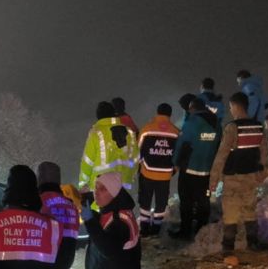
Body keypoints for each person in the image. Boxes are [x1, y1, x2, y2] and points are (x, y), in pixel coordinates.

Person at [210, 92, 268, 254]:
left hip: (233, 177)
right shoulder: (258, 127)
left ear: (235, 106)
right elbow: (264, 152)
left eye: (230, 107)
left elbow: (221, 156)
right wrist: (263, 172)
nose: (230, 110)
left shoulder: (232, 128)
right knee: (250, 209)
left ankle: (228, 247)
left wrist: (213, 181)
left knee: (230, 212)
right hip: (251, 176)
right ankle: (253, 242)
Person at [172, 99, 221, 238]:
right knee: (203, 200)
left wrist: (175, 163)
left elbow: (182, 144)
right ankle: (201, 230)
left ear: (192, 109)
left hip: (190, 169)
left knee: (186, 201)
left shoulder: (192, 122)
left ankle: (185, 230)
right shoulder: (217, 124)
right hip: (207, 170)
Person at [136, 103, 180, 235]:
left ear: (157, 113)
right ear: (170, 115)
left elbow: (137, 151)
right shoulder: (176, 132)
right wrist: (173, 170)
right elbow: (179, 155)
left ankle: (144, 229)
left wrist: (140, 166)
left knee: (145, 201)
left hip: (147, 173)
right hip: (165, 175)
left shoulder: (146, 129)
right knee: (161, 204)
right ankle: (156, 229)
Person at [78, 101, 138, 193]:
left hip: (102, 187)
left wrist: (83, 183)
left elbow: (87, 161)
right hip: (123, 187)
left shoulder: (96, 133)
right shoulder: (129, 132)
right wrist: (131, 176)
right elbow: (135, 158)